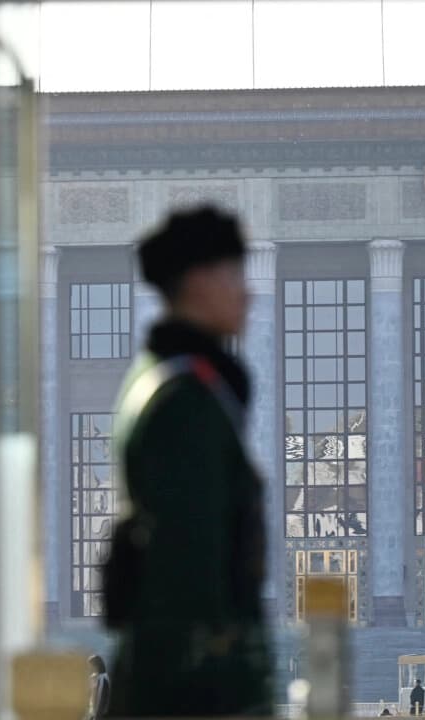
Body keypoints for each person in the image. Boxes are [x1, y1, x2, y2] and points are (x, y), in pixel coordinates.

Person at [105, 206, 271, 717]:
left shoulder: (161, 378)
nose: (248, 292)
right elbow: (191, 567)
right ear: (198, 282)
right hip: (192, 686)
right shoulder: (185, 400)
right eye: (235, 275)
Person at [87, 655, 111, 720]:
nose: (89, 668)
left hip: (99, 714)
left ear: (96, 665)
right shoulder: (95, 676)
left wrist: (96, 716)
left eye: (91, 665)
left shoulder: (102, 678)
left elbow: (100, 698)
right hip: (92, 713)